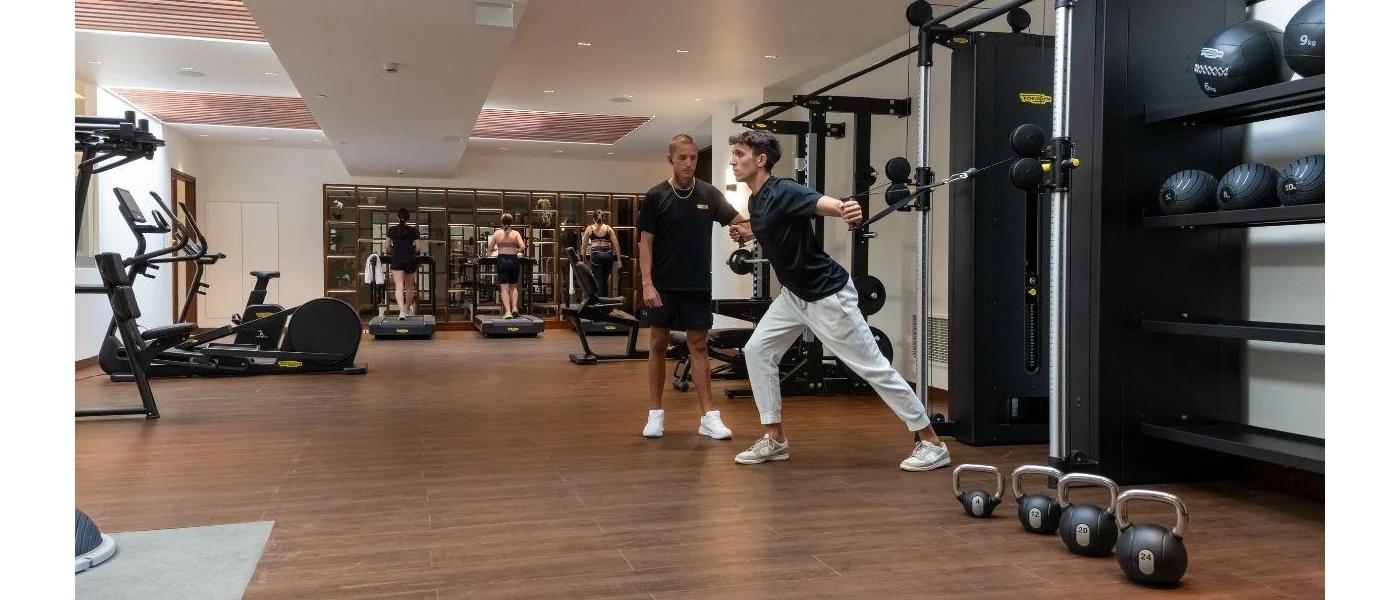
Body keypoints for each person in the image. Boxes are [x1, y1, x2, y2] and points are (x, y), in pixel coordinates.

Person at [725, 129, 952, 471]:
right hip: (794, 295)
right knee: (758, 351)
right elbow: (772, 223)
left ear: (760, 160)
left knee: (872, 367)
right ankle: (774, 437)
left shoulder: (783, 188)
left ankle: (932, 442)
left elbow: (819, 202)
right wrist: (748, 230)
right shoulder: (757, 200)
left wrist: (845, 209)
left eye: (739, 154)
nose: (733, 161)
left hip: (826, 294)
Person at [637, 133, 745, 440]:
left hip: (697, 285)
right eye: (683, 158)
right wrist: (647, 283)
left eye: (694, 158)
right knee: (658, 345)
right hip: (663, 286)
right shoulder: (656, 195)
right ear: (670, 159)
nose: (689, 163)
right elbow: (645, 244)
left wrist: (741, 231)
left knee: (699, 346)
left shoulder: (709, 194)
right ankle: (655, 414)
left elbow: (740, 222)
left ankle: (709, 416)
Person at [488, 213, 527, 319]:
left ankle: (508, 312)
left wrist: (498, 248)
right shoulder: (515, 233)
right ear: (511, 222)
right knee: (513, 287)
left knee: (504, 288)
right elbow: (523, 246)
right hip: (514, 261)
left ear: (502, 222)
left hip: (502, 261)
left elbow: (490, 249)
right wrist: (517, 250)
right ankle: (515, 308)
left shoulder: (497, 233)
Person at [384, 208, 419, 320]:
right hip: (409, 260)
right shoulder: (413, 230)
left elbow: (387, 247)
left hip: (397, 260)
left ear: (397, 217)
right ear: (408, 218)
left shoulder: (392, 230)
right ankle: (408, 309)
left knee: (399, 286)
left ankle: (402, 313)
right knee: (409, 287)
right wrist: (411, 252)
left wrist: (393, 252)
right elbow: (418, 247)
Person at [582, 209, 621, 295]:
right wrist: (619, 260)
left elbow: (583, 247)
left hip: (596, 256)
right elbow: (617, 245)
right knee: (604, 281)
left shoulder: (589, 228)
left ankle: (599, 305)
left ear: (593, 218)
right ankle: (605, 304)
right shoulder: (608, 228)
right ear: (603, 218)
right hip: (608, 256)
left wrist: (584, 259)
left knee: (598, 281)